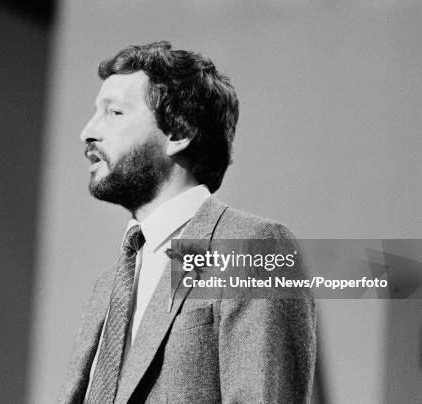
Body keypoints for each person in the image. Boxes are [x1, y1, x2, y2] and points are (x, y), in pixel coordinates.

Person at [58, 41, 316, 403]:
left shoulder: (247, 247)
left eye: (114, 113)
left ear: (178, 133)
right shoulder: (108, 286)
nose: (87, 131)